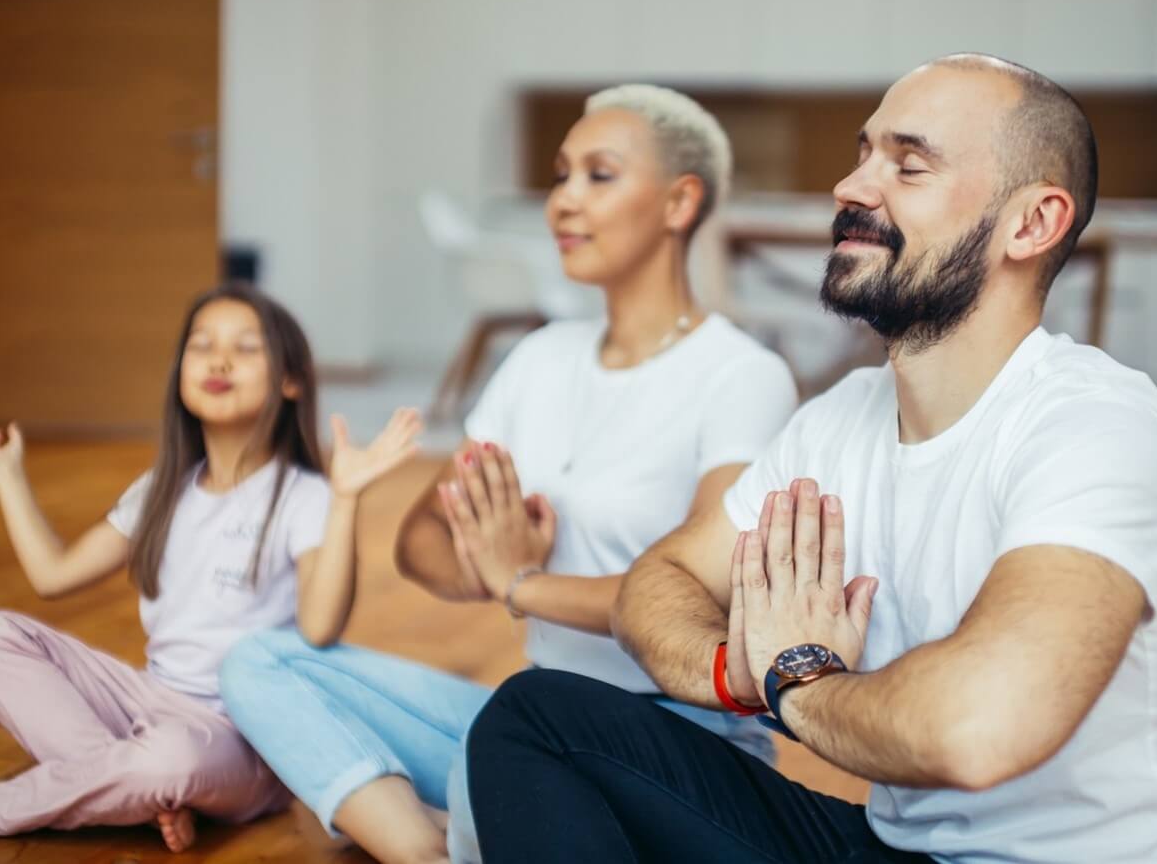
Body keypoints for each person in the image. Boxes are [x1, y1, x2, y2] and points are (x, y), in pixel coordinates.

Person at [465, 54, 1157, 864]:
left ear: (1031, 223)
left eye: (907, 165)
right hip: (889, 849)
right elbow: (657, 586)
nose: (853, 186)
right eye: (862, 154)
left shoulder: (1094, 420)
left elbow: (976, 730)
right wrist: (740, 671)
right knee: (536, 717)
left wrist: (799, 678)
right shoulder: (840, 418)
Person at [219, 85, 799, 864]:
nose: (562, 200)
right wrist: (492, 559)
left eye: (598, 175)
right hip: (528, 709)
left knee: (490, 767)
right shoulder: (540, 357)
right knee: (261, 661)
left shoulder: (741, 375)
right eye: (560, 175)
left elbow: (706, 593)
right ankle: (420, 843)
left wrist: (519, 580)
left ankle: (422, 817)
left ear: (678, 201)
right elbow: (421, 541)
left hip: (680, 734)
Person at [0, 282, 419, 852]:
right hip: (148, 699)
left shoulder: (305, 496)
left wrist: (347, 501)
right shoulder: (162, 489)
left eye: (245, 348)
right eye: (202, 345)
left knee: (170, 759)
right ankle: (137, 796)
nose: (218, 359)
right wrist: (7, 472)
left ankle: (13, 803)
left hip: (241, 738)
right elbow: (52, 575)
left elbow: (320, 627)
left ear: (290, 382)